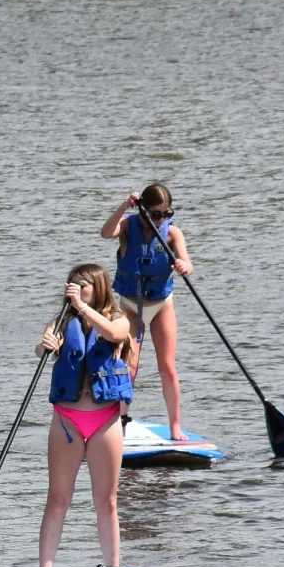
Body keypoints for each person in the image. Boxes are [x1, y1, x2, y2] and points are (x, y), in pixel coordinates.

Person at [34, 264, 140, 567]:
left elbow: (115, 335)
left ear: (99, 288)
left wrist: (83, 308)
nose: (77, 290)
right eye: (73, 284)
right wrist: (45, 344)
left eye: (85, 285)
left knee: (106, 500)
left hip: (104, 420)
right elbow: (40, 349)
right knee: (58, 499)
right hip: (67, 420)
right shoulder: (63, 320)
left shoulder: (118, 317)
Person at [101, 182, 195, 442]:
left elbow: (188, 262)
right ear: (142, 210)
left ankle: (175, 427)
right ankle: (117, 424)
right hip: (130, 306)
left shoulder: (172, 234)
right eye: (156, 214)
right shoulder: (127, 229)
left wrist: (183, 265)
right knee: (129, 368)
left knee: (168, 368)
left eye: (167, 214)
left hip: (161, 305)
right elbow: (105, 232)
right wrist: (123, 206)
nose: (162, 219)